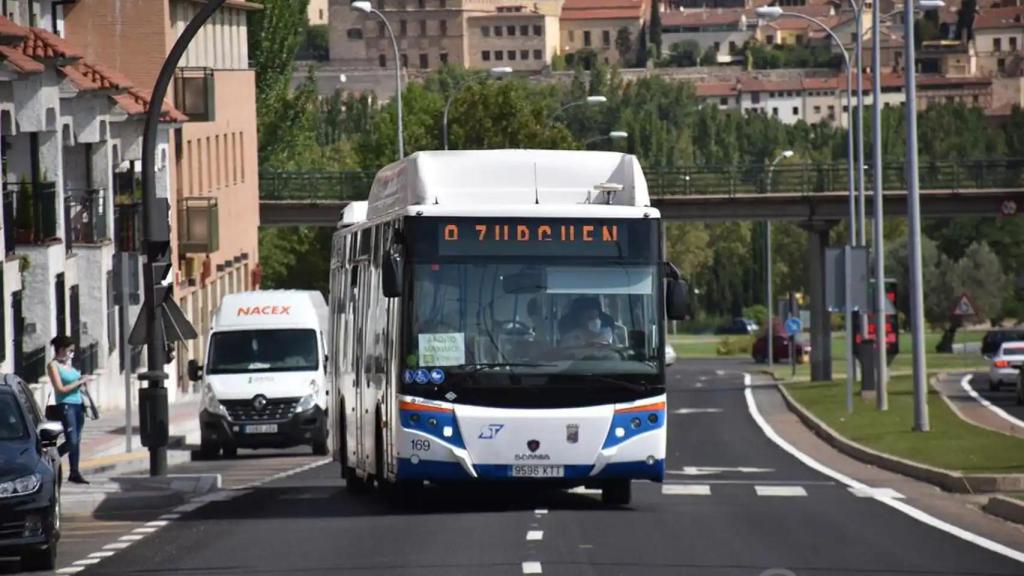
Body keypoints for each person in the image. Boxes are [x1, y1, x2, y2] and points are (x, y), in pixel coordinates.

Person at [46, 335, 89, 484]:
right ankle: (50, 459)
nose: (72, 353)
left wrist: (82, 381)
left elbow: (76, 382)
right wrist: (79, 382)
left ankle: (74, 472)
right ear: (62, 349)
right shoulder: (53, 365)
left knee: (77, 439)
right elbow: (60, 389)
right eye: (70, 350)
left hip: (78, 404)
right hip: (66, 405)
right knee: (72, 440)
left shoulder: (68, 365)